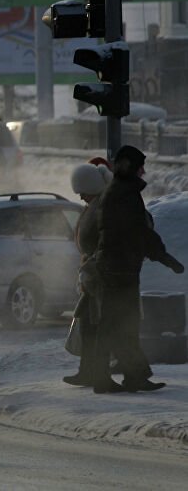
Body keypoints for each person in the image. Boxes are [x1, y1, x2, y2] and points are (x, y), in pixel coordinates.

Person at [90, 146, 184, 394]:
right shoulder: (124, 194)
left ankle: (124, 376)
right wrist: (164, 257)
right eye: (139, 166)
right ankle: (127, 377)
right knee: (121, 325)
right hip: (118, 268)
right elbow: (138, 231)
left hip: (116, 266)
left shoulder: (118, 192)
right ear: (129, 167)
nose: (143, 172)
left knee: (117, 325)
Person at [62, 162, 113, 387]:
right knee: (87, 323)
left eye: (83, 192)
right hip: (90, 275)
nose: (81, 197)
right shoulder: (94, 206)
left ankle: (96, 372)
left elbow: (105, 243)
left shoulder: (102, 208)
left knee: (94, 325)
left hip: (97, 275)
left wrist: (91, 266)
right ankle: (88, 371)